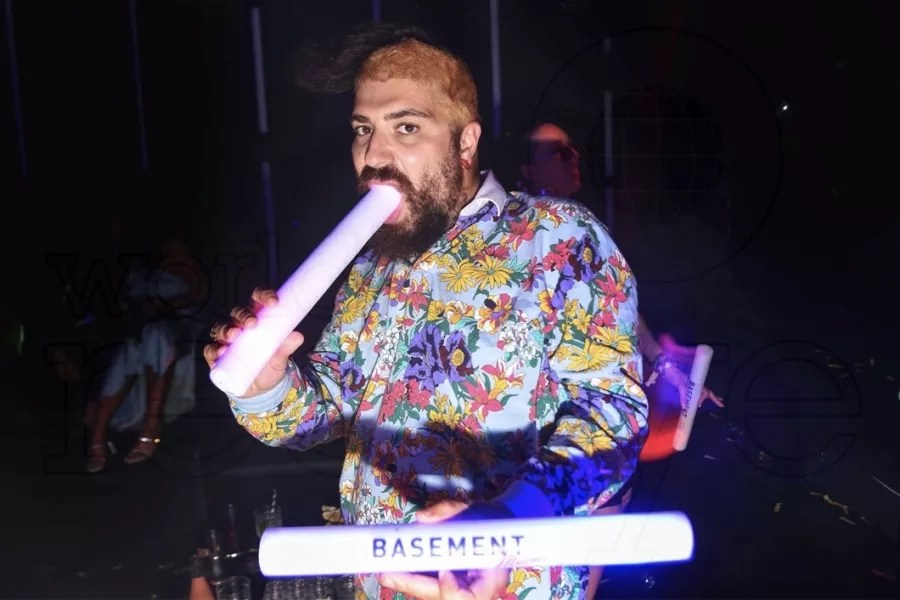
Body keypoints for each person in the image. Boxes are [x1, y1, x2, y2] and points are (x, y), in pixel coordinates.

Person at [207, 25, 648, 600]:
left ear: (466, 142)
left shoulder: (559, 237)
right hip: (380, 585)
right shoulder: (372, 262)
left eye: (406, 127)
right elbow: (328, 409)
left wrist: (511, 518)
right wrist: (268, 386)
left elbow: (613, 417)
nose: (373, 156)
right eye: (363, 129)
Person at [516, 121, 724, 598]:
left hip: (588, 412)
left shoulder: (582, 229)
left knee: (603, 505)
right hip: (544, 410)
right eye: (557, 151)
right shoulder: (518, 229)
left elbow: (615, 312)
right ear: (527, 168)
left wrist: (667, 365)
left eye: (573, 149)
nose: (572, 157)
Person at [86, 238, 203, 473]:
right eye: (168, 249)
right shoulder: (142, 276)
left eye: (178, 250)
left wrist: (161, 308)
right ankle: (97, 438)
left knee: (155, 335)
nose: (173, 254)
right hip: (140, 336)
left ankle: (150, 428)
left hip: (174, 333)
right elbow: (126, 310)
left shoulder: (191, 276)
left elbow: (192, 305)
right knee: (128, 351)